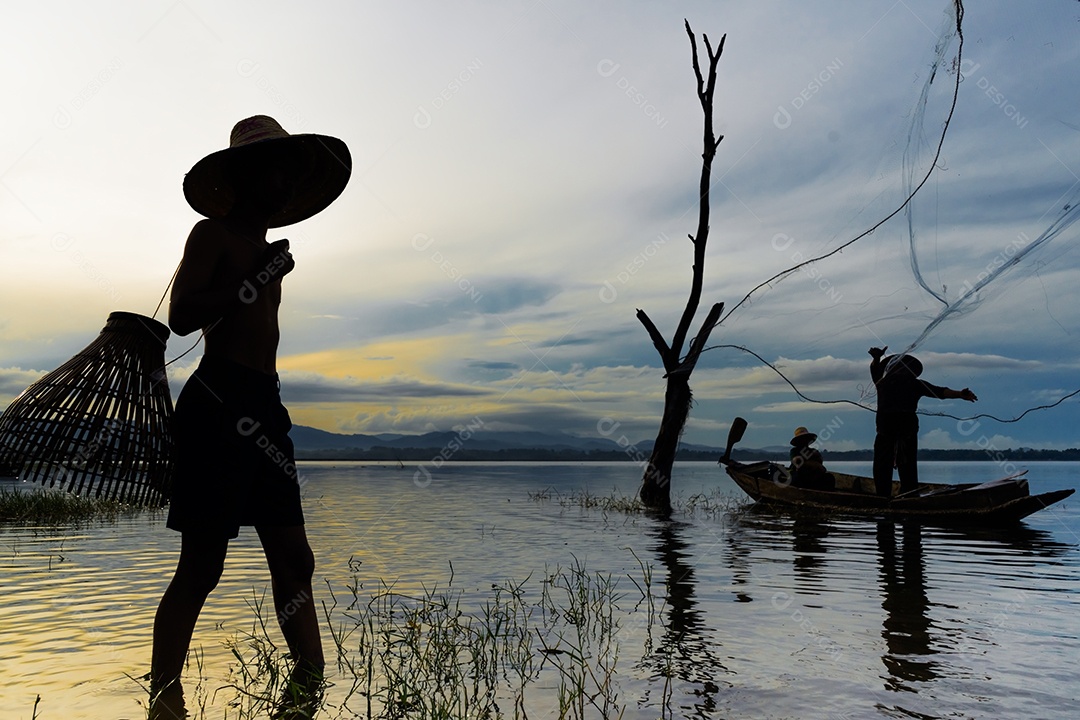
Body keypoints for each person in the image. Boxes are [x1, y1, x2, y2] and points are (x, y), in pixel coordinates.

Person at [150, 115, 351, 718]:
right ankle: (163, 694)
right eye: (276, 170)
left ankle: (309, 688)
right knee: (203, 564)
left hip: (267, 403)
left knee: (296, 559)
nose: (286, 183)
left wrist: (266, 269)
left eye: (291, 173)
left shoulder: (266, 252)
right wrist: (256, 275)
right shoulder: (213, 236)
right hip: (218, 401)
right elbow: (184, 314)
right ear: (246, 178)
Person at [869, 346, 977, 498]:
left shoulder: (915, 384)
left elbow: (940, 392)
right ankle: (883, 499)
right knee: (882, 469)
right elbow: (875, 370)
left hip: (906, 432)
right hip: (885, 432)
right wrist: (876, 358)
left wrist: (960, 394)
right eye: (897, 366)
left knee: (908, 470)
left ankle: (909, 499)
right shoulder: (882, 382)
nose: (900, 369)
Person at [788, 426, 835, 491]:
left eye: (805, 438)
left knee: (829, 477)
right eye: (802, 438)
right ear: (798, 441)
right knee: (794, 476)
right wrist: (810, 461)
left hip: (812, 477)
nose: (804, 440)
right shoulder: (795, 451)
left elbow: (820, 463)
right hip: (801, 476)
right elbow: (796, 461)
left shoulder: (813, 451)